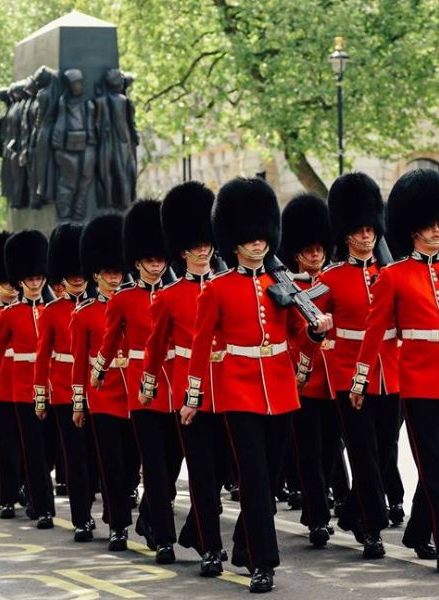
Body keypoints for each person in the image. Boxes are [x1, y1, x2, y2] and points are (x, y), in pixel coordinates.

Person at [182, 177, 333, 593]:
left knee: (267, 477)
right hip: (239, 390)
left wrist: (316, 332)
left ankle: (247, 548)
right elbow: (198, 347)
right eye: (249, 238)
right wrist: (194, 395)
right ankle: (264, 562)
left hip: (280, 389)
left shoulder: (279, 285)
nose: (258, 244)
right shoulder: (216, 289)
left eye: (263, 236)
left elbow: (296, 337)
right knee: (252, 479)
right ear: (234, 242)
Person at [351, 168, 439, 572]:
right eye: (428, 227)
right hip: (417, 380)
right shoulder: (393, 276)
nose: (437, 233)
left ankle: (419, 530)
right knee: (434, 464)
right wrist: (362, 377)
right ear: (411, 230)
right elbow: (374, 331)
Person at [141, 181, 228, 575]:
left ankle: (197, 530)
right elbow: (156, 349)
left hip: (228, 388)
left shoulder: (228, 287)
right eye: (195, 245)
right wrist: (149, 384)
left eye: (206, 242)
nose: (203, 249)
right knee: (201, 472)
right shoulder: (169, 297)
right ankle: (211, 547)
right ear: (183, 249)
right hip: (187, 393)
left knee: (226, 470)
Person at [312, 172, 398, 558]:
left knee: (384, 453)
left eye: (370, 230)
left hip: (390, 372)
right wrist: (318, 330)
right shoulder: (330, 278)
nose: (366, 237)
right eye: (358, 231)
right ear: (345, 234)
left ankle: (351, 512)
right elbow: (308, 321)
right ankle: (372, 529)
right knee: (362, 452)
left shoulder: (390, 274)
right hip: (349, 376)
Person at [92, 199, 181, 564]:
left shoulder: (177, 293)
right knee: (154, 467)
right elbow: (111, 339)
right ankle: (163, 537)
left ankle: (148, 516)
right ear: (138, 261)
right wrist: (98, 370)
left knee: (173, 463)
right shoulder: (125, 299)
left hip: (175, 385)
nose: (157, 264)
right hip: (141, 391)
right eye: (151, 259)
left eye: (161, 258)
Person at [277, 192, 339, 547]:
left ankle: (317, 504)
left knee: (331, 451)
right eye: (308, 250)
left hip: (331, 377)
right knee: (310, 454)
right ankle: (317, 518)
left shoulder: (333, 281)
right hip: (302, 380)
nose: (315, 256)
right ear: (296, 253)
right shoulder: (287, 287)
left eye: (319, 249)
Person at [0, 229, 56, 529]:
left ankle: (34, 492)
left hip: (54, 387)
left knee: (50, 451)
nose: (37, 282)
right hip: (22, 390)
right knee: (34, 451)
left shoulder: (53, 310)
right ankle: (43, 508)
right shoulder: (9, 315)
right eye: (31, 278)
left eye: (40, 277)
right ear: (20, 280)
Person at [70, 213, 133, 551]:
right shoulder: (84, 314)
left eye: (118, 271)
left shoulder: (135, 303)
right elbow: (80, 362)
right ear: (96, 275)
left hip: (135, 393)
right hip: (104, 395)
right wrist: (80, 403)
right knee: (111, 465)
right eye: (109, 272)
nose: (115, 277)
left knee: (134, 463)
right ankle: (117, 523)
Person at [33, 222, 95, 542]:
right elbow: (43, 357)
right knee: (74, 459)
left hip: (97, 390)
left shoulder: (100, 306)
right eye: (71, 273)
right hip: (62, 391)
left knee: (96, 456)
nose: (77, 277)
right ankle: (81, 518)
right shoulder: (52, 311)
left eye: (81, 271)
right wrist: (41, 397)